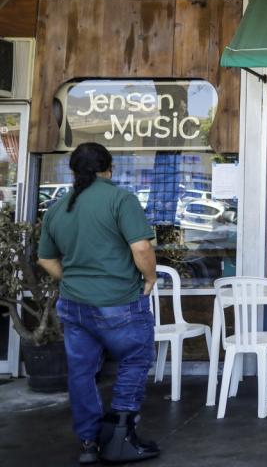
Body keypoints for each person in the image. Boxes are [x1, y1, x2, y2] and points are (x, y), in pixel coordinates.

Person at [37, 143, 160, 465]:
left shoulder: (58, 207)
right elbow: (142, 247)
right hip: (118, 301)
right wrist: (150, 278)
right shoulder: (120, 199)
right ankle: (121, 433)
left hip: (74, 304)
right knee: (135, 360)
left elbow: (45, 259)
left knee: (81, 372)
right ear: (109, 168)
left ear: (74, 170)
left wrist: (73, 280)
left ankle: (89, 442)